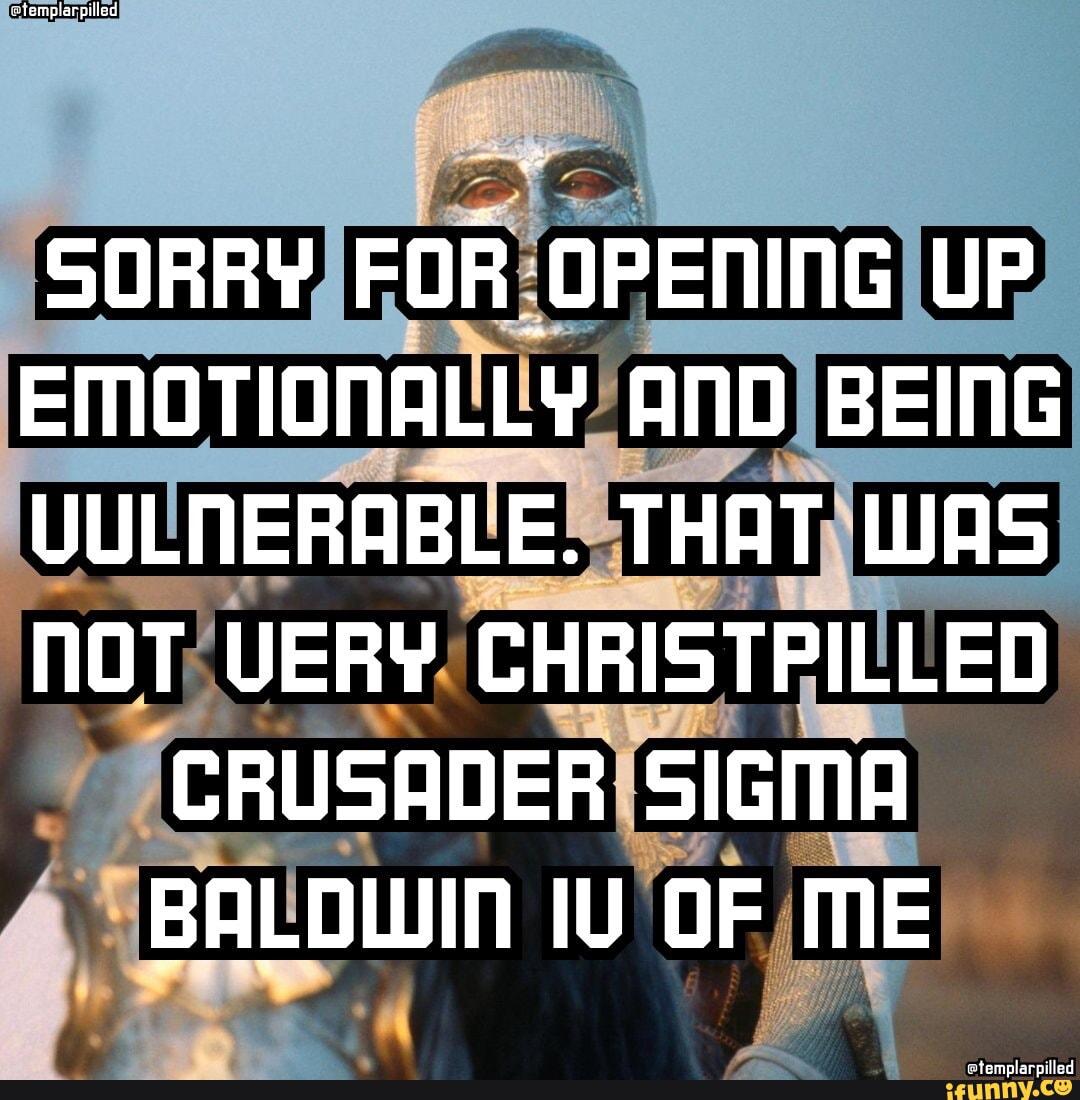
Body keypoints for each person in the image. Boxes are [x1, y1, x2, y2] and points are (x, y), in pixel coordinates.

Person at [0, 28, 915, 1080]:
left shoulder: (779, 500)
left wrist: (787, 1064)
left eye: (583, 180)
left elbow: (847, 869)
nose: (536, 231)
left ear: (645, 212)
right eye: (485, 190)